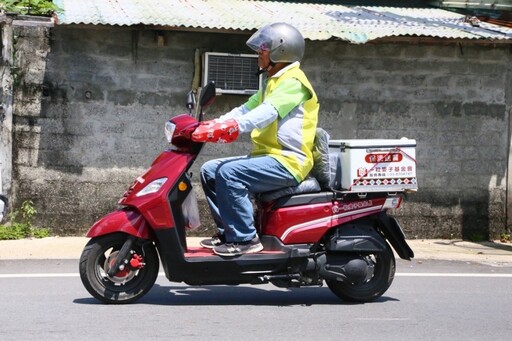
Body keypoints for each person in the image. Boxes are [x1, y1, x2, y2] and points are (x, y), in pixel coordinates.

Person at [191, 22, 320, 256]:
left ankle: (246, 239)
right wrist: (212, 125)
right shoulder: (273, 82)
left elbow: (266, 113)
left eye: (264, 48)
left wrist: (233, 127)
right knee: (210, 170)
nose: (259, 52)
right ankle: (229, 233)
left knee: (230, 173)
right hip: (269, 158)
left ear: (281, 51)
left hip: (289, 162)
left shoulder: (293, 82)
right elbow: (245, 109)